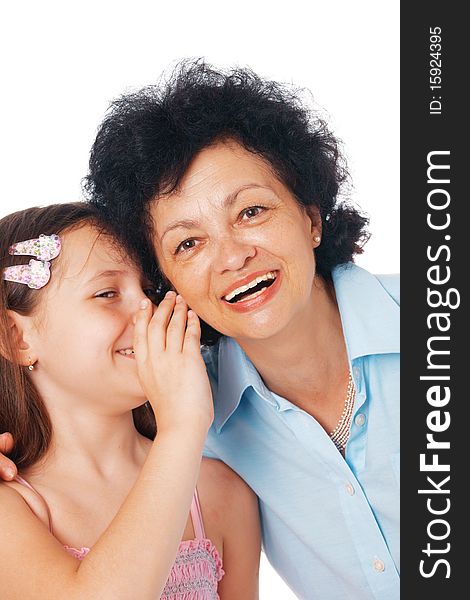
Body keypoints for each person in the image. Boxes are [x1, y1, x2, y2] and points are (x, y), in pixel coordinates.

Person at [0, 62, 399, 599]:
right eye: (187, 243)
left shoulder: (202, 442)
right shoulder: (196, 400)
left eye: (252, 211)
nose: (233, 256)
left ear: (311, 216)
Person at [0, 203, 260, 599]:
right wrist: (181, 426)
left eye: (151, 291)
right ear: (17, 338)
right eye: (107, 293)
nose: (147, 312)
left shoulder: (221, 494)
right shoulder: (11, 507)